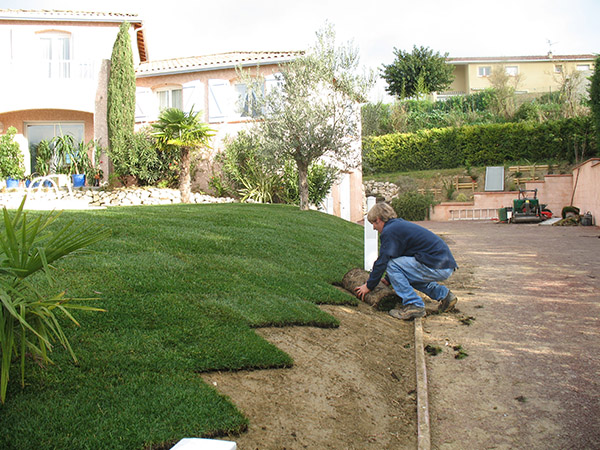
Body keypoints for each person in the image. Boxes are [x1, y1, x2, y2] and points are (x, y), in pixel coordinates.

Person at [354, 202, 458, 320]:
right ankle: (445, 295)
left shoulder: (389, 231)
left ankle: (414, 305)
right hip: (443, 264)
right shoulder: (397, 226)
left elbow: (383, 261)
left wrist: (369, 286)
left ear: (378, 220)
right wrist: (388, 279)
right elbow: (400, 256)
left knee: (391, 265)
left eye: (373, 223)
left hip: (437, 265)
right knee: (407, 275)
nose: (373, 227)